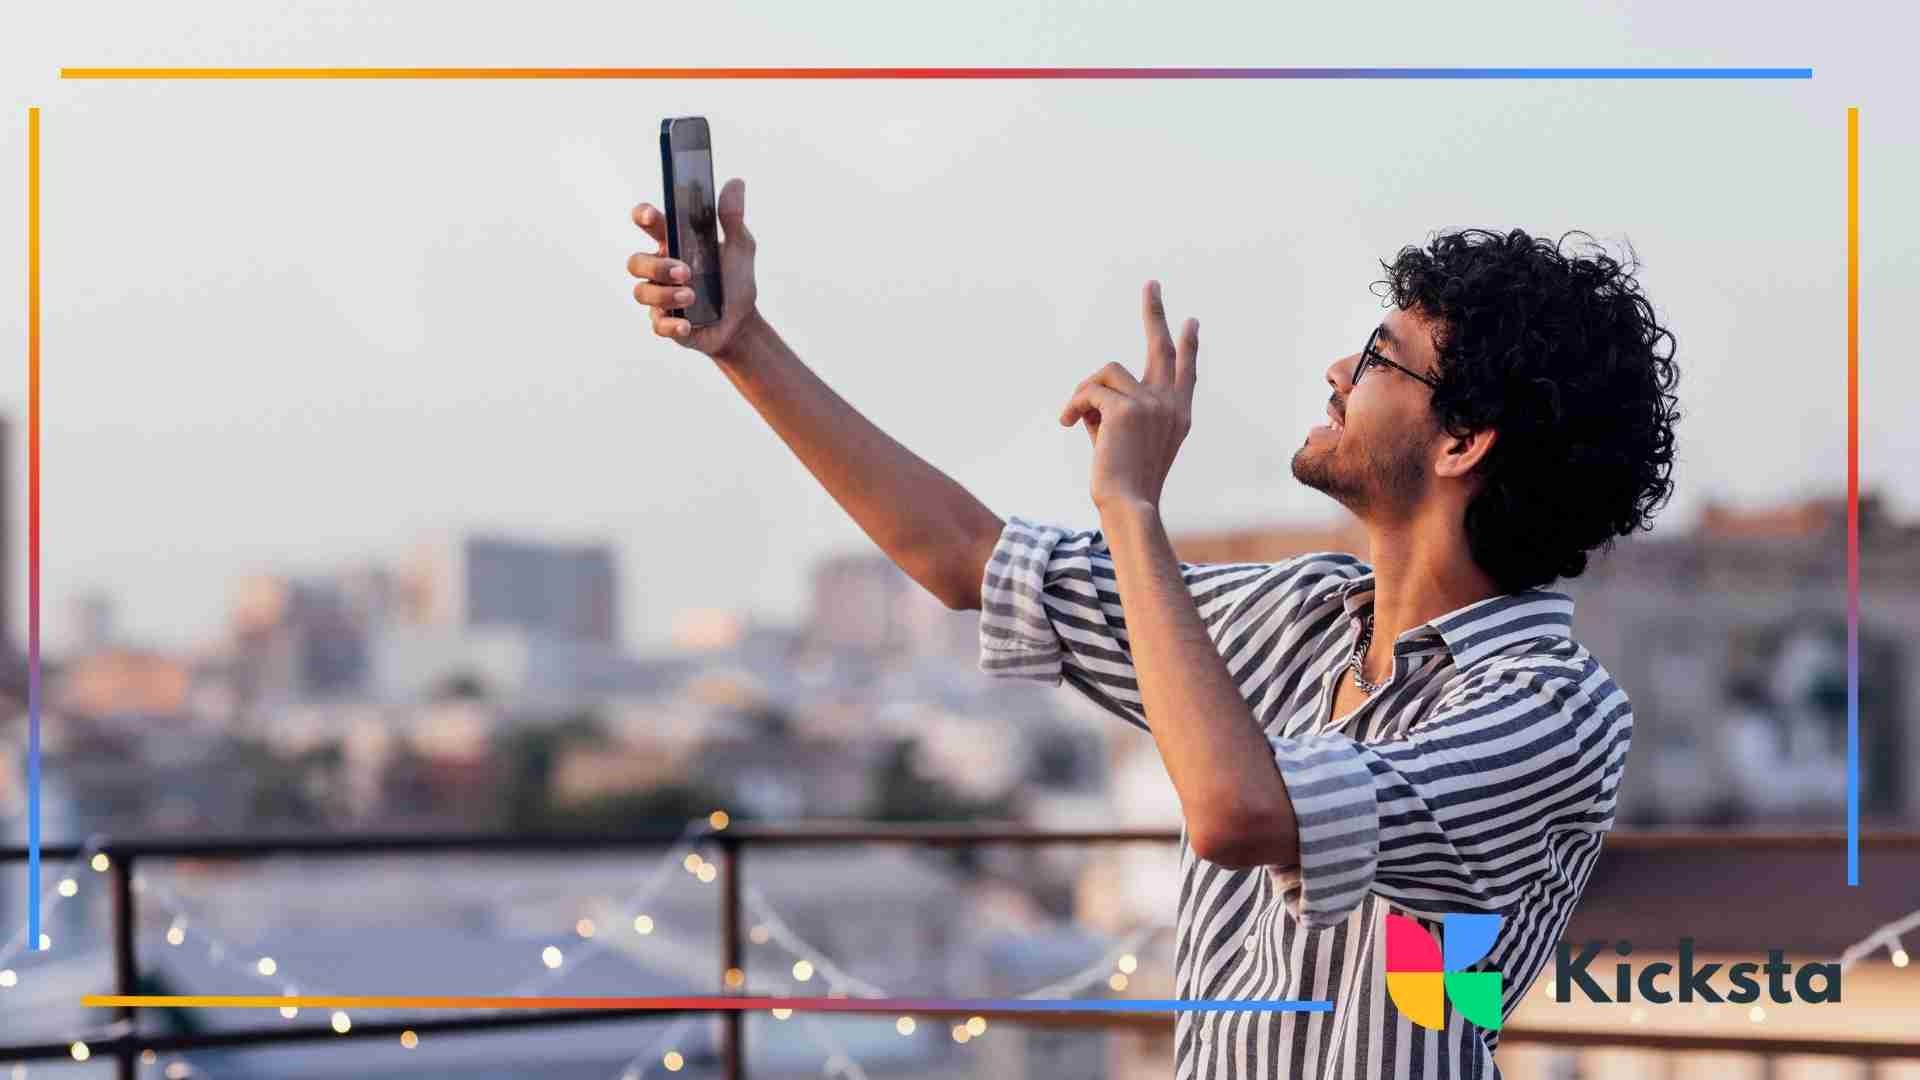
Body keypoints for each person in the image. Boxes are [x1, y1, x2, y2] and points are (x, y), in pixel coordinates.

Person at [627, 177, 1679, 1080]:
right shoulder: (1296, 615)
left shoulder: (1552, 709)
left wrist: (1130, 506)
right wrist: (744, 343)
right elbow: (962, 555)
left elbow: (1240, 813)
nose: (1335, 373)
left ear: (1463, 442)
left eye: (1377, 357)